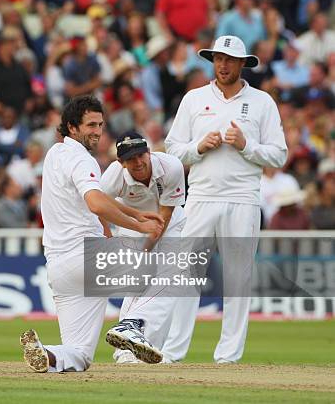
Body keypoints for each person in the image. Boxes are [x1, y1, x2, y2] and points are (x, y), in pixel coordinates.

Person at [164, 35, 287, 364]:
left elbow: (279, 155)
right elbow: (173, 149)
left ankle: (228, 358)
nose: (223, 65)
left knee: (237, 280)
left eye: (230, 59)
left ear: (243, 63)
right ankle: (173, 354)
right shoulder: (193, 99)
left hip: (243, 199)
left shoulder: (262, 103)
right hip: (201, 197)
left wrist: (247, 145)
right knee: (186, 279)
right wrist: (198, 147)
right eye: (218, 58)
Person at [20, 95, 165, 373]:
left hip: (60, 268)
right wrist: (141, 226)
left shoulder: (54, 154)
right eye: (91, 125)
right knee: (169, 267)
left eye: (100, 124)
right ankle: (131, 326)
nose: (98, 131)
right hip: (87, 255)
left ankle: (47, 354)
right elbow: (96, 203)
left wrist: (134, 214)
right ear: (72, 127)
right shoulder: (81, 159)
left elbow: (96, 199)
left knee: (79, 354)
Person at [100, 132, 186, 364]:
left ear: (149, 152)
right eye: (130, 159)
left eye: (141, 155)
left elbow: (163, 219)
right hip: (131, 226)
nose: (138, 162)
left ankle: (142, 341)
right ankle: (126, 351)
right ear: (121, 162)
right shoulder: (112, 179)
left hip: (169, 223)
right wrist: (106, 232)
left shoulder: (171, 167)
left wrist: (148, 248)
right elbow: (99, 205)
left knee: (170, 280)